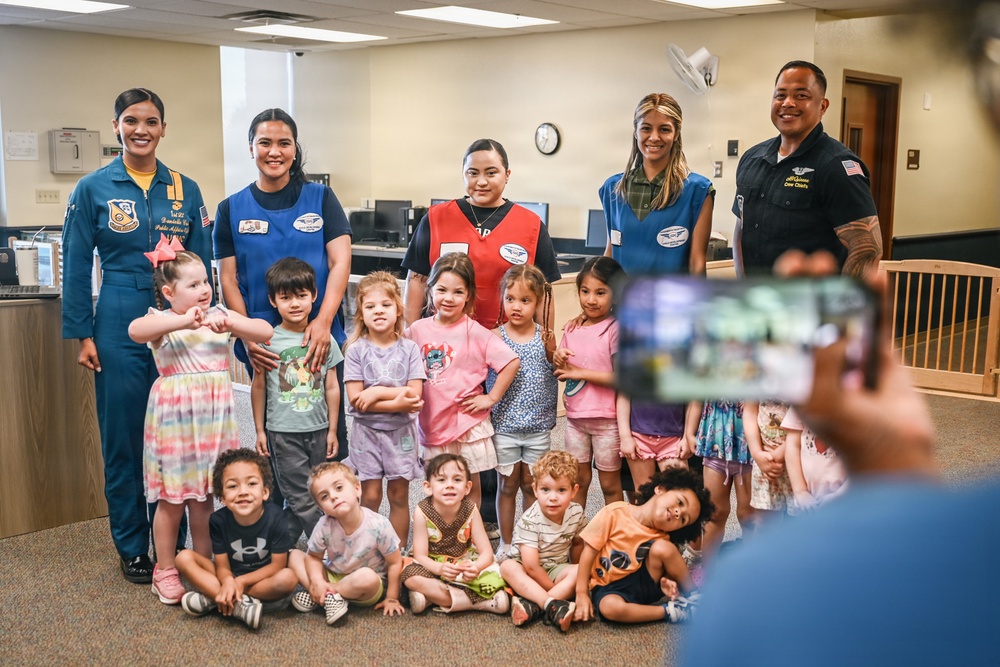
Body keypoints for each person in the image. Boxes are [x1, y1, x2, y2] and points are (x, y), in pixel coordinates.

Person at [61, 87, 214, 584]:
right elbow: (77, 264)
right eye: (131, 121)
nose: (141, 130)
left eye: (150, 121)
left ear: (163, 129)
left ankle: (177, 542)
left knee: (182, 429)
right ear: (116, 127)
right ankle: (133, 545)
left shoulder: (184, 188)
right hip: (119, 311)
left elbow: (203, 259)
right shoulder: (93, 188)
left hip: (179, 316)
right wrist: (81, 332)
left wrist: (208, 316)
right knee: (124, 436)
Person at [128, 241, 274, 603]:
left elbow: (264, 331)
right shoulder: (162, 321)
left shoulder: (218, 315)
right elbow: (135, 330)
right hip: (176, 423)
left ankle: (203, 564)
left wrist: (230, 321)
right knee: (172, 500)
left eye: (205, 282)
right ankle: (164, 568)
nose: (204, 290)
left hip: (213, 421)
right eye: (192, 285)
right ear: (168, 292)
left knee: (206, 500)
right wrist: (183, 320)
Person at [213, 108, 352, 466]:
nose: (274, 152)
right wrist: (246, 336)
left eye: (283, 143)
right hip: (264, 342)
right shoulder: (230, 209)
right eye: (265, 143)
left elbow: (340, 263)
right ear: (250, 148)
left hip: (318, 336)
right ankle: (280, 522)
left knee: (324, 450)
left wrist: (323, 322)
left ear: (294, 148)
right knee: (275, 447)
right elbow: (228, 279)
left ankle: (325, 522)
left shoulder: (322, 198)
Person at [733, 61, 883, 278]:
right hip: (759, 302)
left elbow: (867, 249)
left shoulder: (836, 166)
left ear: (822, 106)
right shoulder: (752, 158)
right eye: (780, 95)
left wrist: (839, 309)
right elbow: (740, 229)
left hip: (810, 305)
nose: (788, 103)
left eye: (801, 95)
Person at [401, 138, 561, 329]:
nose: (481, 181)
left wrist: (548, 345)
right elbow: (416, 281)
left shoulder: (531, 225)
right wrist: (407, 338)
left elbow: (544, 293)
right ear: (463, 174)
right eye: (473, 173)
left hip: (507, 342)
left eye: (491, 173)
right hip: (443, 341)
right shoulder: (436, 218)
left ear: (507, 174)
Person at [404, 253, 520, 510]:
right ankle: (443, 536)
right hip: (433, 424)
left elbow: (511, 362)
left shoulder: (475, 332)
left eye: (458, 292)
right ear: (430, 289)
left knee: (469, 485)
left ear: (468, 295)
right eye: (442, 290)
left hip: (467, 424)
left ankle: (470, 535)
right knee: (438, 484)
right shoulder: (416, 330)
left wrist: (491, 397)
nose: (448, 298)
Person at [251, 258, 342, 544]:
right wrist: (259, 430)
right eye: (285, 297)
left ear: (314, 296)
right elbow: (259, 387)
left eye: (301, 296)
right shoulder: (267, 340)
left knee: (319, 490)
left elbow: (332, 387)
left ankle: (278, 545)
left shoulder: (324, 340)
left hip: (318, 430)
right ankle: (334, 546)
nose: (294, 304)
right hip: (283, 433)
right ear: (273, 300)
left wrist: (331, 430)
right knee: (300, 497)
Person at [343, 271, 426, 548]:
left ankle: (398, 552)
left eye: (386, 305)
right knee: (370, 496)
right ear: (361, 314)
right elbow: (356, 399)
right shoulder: (356, 350)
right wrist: (398, 400)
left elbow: (414, 396)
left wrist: (377, 392)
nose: (378, 310)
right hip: (366, 436)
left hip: (401, 435)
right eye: (370, 306)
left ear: (398, 309)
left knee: (400, 496)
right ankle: (368, 548)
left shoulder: (410, 349)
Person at [174, 449, 298, 629]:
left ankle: (217, 598)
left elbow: (277, 566)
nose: (242, 492)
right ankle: (239, 603)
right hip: (230, 574)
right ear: (223, 498)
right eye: (233, 486)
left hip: (260, 578)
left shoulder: (276, 517)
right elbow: (222, 566)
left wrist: (240, 582)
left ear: (265, 492)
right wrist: (229, 581)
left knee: (289, 578)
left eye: (252, 484)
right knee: (182, 557)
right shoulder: (218, 520)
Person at [573, 467, 713, 625]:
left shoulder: (663, 539)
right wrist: (581, 592)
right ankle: (671, 611)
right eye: (680, 502)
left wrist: (666, 580)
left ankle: (693, 595)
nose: (678, 513)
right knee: (609, 609)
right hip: (608, 587)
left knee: (663, 548)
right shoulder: (615, 512)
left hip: (645, 584)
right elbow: (589, 552)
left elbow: (664, 567)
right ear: (660, 489)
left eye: (683, 520)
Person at [600, 92, 714, 276]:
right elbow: (611, 253)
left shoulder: (697, 191)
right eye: (646, 128)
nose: (654, 137)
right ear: (636, 132)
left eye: (664, 129)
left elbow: (697, 262)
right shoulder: (613, 189)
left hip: (672, 303)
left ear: (676, 134)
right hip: (624, 302)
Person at [487, 264, 558, 555]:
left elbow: (558, 366)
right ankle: (505, 542)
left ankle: (526, 540)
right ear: (502, 298)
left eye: (525, 300)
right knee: (507, 485)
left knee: (531, 485)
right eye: (510, 299)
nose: (516, 306)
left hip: (538, 427)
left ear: (538, 302)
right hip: (504, 425)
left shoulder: (546, 337)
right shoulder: (493, 335)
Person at [288, 462, 405, 623]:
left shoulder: (379, 524)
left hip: (365, 586)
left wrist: (392, 597)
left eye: (339, 488)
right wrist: (317, 580)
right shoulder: (324, 524)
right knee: (294, 555)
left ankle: (324, 595)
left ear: (357, 488)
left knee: (367, 577)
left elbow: (395, 562)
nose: (334, 496)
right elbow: (313, 557)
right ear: (321, 507)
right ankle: (326, 595)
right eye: (324, 496)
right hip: (333, 575)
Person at [554, 256, 624, 510]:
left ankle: (616, 538)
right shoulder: (573, 327)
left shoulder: (616, 329)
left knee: (610, 485)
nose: (591, 299)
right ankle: (577, 537)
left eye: (600, 292)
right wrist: (557, 357)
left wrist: (579, 372)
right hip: (574, 420)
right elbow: (562, 369)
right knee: (578, 482)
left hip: (607, 422)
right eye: (585, 291)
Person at [400, 454, 509, 615]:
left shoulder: (471, 509)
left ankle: (433, 598)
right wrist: (439, 569)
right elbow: (420, 555)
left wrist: (475, 567)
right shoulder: (421, 511)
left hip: (464, 564)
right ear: (428, 487)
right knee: (409, 576)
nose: (449, 485)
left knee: (501, 570)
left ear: (467, 487)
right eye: (442, 480)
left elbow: (486, 552)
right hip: (432, 565)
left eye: (457, 480)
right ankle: (480, 603)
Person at [499, 450, 586, 632]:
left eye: (561, 490)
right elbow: (531, 566)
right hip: (526, 569)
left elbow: (578, 543)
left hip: (555, 567)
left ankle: (534, 605)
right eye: (545, 489)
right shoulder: (530, 520)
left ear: (574, 491)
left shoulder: (576, 512)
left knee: (583, 570)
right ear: (535, 489)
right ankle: (552, 603)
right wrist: (556, 588)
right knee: (507, 567)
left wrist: (577, 577)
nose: (552, 497)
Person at [689, 400, 754, 557]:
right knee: (714, 513)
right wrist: (689, 433)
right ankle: (707, 571)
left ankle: (753, 573)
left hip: (749, 449)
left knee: (748, 516)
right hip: (715, 445)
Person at [781, 406, 848, 513]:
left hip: (846, 502)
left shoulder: (857, 406)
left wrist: (839, 495)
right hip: (807, 501)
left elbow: (866, 460)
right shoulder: (802, 401)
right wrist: (800, 491)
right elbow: (793, 446)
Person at [743, 400, 793, 522]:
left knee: (800, 522)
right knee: (765, 521)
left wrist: (778, 455)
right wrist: (757, 454)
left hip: (797, 463)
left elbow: (807, 418)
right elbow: (750, 412)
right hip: (764, 461)